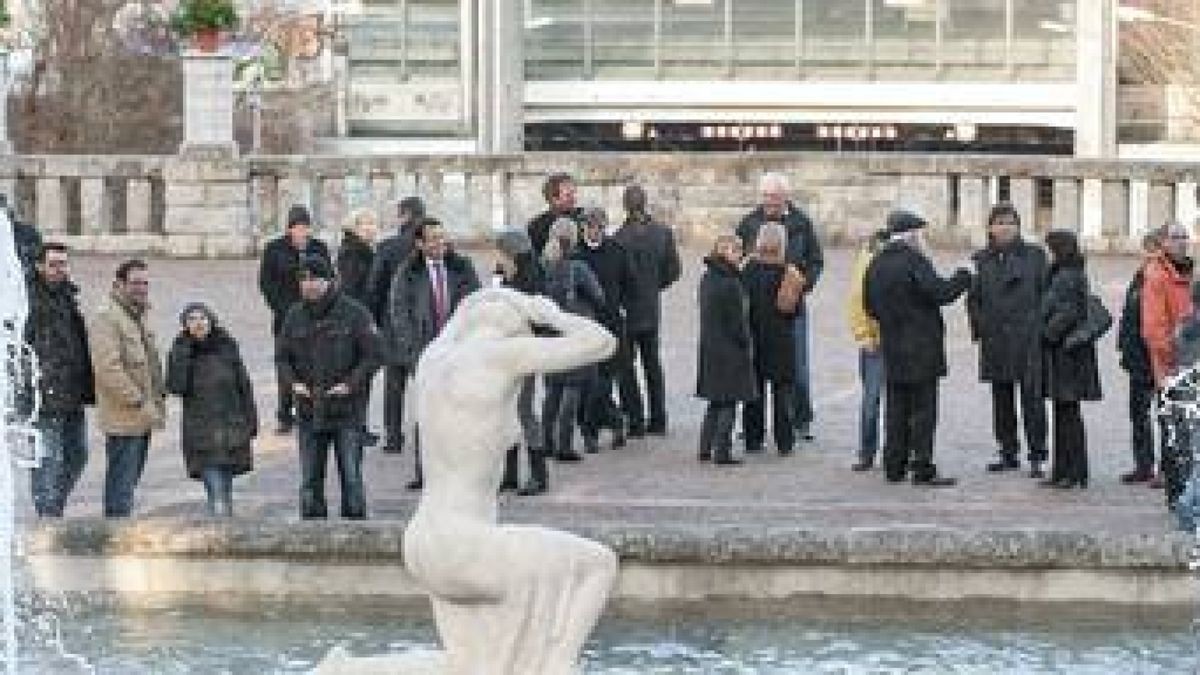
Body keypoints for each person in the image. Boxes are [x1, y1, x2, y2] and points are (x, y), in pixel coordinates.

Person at [402, 287, 616, 675]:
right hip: (465, 546)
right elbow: (601, 342)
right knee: (598, 565)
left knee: (466, 666)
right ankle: (559, 667)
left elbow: (459, 316)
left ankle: (344, 667)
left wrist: (489, 297)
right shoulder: (500, 355)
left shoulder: (433, 358)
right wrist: (550, 314)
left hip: (421, 542)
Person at [865, 210, 970, 487]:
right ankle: (922, 467)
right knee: (923, 411)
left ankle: (893, 466)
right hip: (921, 348)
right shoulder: (915, 260)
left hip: (893, 346)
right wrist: (962, 277)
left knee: (896, 409)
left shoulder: (876, 263)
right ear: (912, 235)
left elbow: (869, 306)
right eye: (921, 234)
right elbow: (939, 292)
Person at [276, 256, 381, 519]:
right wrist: (293, 384)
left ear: (329, 281)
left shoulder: (355, 313)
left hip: (347, 411)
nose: (308, 285)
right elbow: (282, 357)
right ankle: (311, 533)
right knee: (310, 481)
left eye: (314, 279)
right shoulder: (294, 315)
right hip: (309, 410)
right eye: (303, 279)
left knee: (352, 479)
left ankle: (357, 534)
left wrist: (350, 384)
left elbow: (374, 355)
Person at [389, 218, 481, 490]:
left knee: (461, 414)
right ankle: (425, 472)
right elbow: (399, 316)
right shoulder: (407, 273)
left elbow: (474, 303)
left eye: (442, 237)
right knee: (428, 416)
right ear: (419, 243)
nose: (440, 243)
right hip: (426, 355)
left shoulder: (462, 267)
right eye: (433, 239)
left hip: (458, 353)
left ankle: (462, 471)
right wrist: (415, 356)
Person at [736, 173, 823, 441]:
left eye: (773, 197)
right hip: (755, 306)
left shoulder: (801, 223)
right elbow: (736, 257)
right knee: (755, 367)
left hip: (790, 303)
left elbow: (816, 261)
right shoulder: (749, 222)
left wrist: (799, 286)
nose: (768, 202)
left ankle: (800, 419)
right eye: (765, 197)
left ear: (785, 196)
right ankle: (753, 428)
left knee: (796, 368)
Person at [967, 203, 1050, 477]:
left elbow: (1046, 295)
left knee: (1032, 401)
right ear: (990, 227)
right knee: (1001, 401)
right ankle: (1008, 451)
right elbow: (974, 300)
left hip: (1028, 339)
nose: (1005, 227)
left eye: (1010, 222)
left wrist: (1040, 329)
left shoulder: (1036, 257)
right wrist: (982, 328)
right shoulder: (981, 259)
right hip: (996, 339)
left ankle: (1037, 454)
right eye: (1000, 222)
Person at [88, 259, 166, 517]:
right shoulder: (107, 318)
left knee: (129, 481)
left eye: (145, 283)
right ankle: (115, 534)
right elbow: (108, 370)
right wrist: (138, 400)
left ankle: (119, 529)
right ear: (118, 284)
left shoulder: (138, 315)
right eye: (135, 283)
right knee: (121, 485)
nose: (141, 288)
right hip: (124, 416)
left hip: (142, 415)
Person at [165, 302, 257, 517]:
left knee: (225, 490)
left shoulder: (227, 347)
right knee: (217, 493)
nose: (198, 323)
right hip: (201, 434)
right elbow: (176, 387)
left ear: (211, 321)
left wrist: (251, 422)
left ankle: (224, 539)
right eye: (192, 319)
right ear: (185, 325)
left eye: (202, 318)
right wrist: (184, 353)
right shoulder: (180, 350)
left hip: (231, 430)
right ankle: (222, 540)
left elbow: (244, 386)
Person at [25, 242, 94, 518]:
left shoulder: (67, 297)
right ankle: (47, 516)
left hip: (72, 394)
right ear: (39, 266)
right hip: (43, 397)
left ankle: (54, 509)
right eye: (53, 264)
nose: (59, 269)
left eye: (63, 263)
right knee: (47, 461)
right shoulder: (28, 298)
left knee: (77, 456)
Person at [613, 184, 681, 437]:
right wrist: (653, 287)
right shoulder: (662, 234)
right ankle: (658, 418)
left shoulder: (618, 239)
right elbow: (673, 271)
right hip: (651, 307)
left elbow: (614, 278)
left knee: (626, 368)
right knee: (652, 365)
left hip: (626, 309)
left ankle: (635, 420)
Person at [258, 205, 332, 434]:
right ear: (289, 229)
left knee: (316, 363)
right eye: (297, 227)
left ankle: (313, 411)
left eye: (305, 227)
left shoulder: (319, 247)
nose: (302, 232)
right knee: (286, 364)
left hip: (317, 315)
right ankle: (284, 413)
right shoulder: (274, 248)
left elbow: (329, 277)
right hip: (285, 316)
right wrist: (281, 309)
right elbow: (266, 283)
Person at [1039, 230, 1102, 490]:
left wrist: (1046, 334)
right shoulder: (1066, 273)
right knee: (1063, 413)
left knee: (1068, 415)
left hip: (1067, 353)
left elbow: (1068, 312)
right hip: (1066, 353)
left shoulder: (1067, 276)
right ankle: (1064, 470)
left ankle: (1073, 472)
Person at [541, 217, 607, 461]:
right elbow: (599, 296)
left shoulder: (543, 264)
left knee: (552, 391)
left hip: (550, 334)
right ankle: (564, 445)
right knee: (572, 388)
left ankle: (546, 441)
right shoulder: (577, 267)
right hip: (575, 332)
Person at [366, 196, 426, 455]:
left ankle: (393, 437)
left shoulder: (388, 247)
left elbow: (374, 287)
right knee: (426, 384)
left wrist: (377, 321)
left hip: (392, 323)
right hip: (425, 325)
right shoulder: (432, 245)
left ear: (404, 216)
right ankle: (429, 435)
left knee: (394, 386)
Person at [493, 229, 550, 496]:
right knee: (508, 412)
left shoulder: (531, 283)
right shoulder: (508, 277)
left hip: (525, 354)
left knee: (524, 411)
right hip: (507, 355)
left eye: (502, 253)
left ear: (512, 254)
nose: (499, 258)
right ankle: (510, 473)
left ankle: (539, 474)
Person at [574, 207, 634, 451]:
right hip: (584, 324)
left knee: (604, 382)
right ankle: (606, 423)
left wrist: (624, 308)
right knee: (588, 383)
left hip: (611, 324)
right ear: (583, 228)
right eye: (589, 226)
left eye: (598, 226)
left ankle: (606, 425)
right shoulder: (576, 255)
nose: (594, 231)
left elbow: (631, 283)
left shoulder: (617, 252)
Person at [1142, 222, 1194, 498]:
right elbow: (1153, 328)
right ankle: (1176, 495)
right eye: (1175, 237)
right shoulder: (1156, 276)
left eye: (1184, 236)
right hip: (1173, 366)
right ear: (1163, 242)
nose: (1182, 242)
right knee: (1175, 431)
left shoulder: (1189, 271)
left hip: (1191, 361)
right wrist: (1175, 359)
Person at [741, 221, 802, 456]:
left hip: (753, 337)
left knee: (753, 394)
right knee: (783, 394)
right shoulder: (789, 273)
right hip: (781, 341)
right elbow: (794, 311)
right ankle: (784, 441)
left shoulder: (748, 270)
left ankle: (753, 439)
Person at [696, 234, 756, 466]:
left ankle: (704, 447)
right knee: (729, 402)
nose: (740, 254)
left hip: (710, 347)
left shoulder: (708, 278)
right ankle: (722, 450)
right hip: (730, 350)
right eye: (737, 250)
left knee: (715, 401)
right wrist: (747, 343)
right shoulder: (731, 283)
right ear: (725, 252)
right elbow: (738, 323)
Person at [1118, 231, 1164, 485]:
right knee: (1138, 414)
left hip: (1160, 357)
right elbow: (1129, 315)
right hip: (1137, 357)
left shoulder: (1169, 278)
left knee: (1166, 415)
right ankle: (1143, 465)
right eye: (1146, 250)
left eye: (1155, 249)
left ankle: (1168, 469)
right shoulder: (1139, 278)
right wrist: (1123, 346)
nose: (1149, 255)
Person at [846, 228, 888, 472]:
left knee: (897, 400)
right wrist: (864, 335)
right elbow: (856, 299)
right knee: (872, 399)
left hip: (898, 340)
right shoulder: (869, 258)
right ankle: (867, 451)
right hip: (875, 340)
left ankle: (894, 449)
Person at [528, 173, 584, 259]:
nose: (574, 198)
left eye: (574, 193)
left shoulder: (584, 218)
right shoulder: (536, 226)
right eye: (568, 195)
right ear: (554, 199)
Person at [336, 207, 379, 307]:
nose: (368, 228)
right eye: (363, 224)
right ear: (354, 228)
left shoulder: (366, 250)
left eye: (372, 223)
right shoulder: (352, 252)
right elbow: (350, 288)